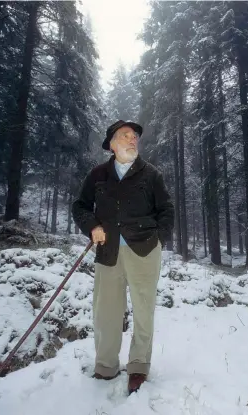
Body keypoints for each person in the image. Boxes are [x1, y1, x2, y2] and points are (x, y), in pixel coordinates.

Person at [72, 120, 174, 394]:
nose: (132, 140)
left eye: (135, 137)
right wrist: (92, 226)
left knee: (143, 312)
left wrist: (159, 240)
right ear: (112, 143)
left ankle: (139, 366)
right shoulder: (98, 175)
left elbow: (166, 209)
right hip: (108, 252)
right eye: (125, 136)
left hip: (144, 251)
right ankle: (105, 366)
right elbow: (80, 205)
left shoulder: (151, 174)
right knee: (106, 313)